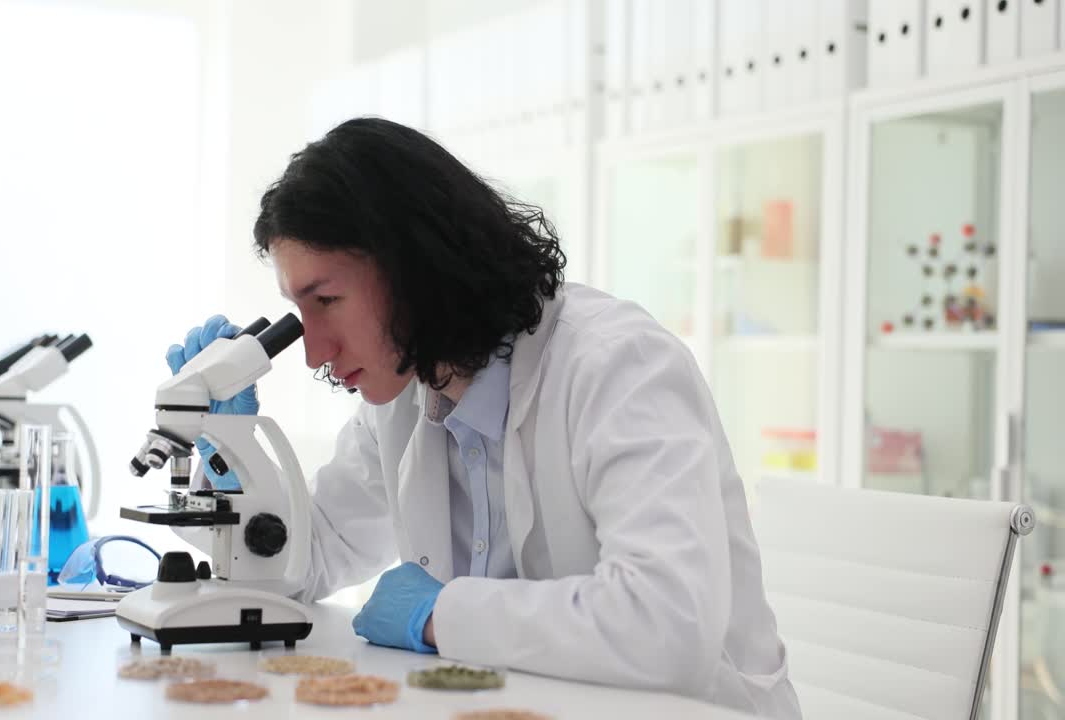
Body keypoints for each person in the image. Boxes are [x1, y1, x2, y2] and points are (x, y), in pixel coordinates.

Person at [165, 117, 801, 719]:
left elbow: (667, 624)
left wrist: (444, 613)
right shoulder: (406, 398)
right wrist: (230, 450)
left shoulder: (618, 367)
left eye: (327, 299)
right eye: (300, 309)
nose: (312, 351)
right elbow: (303, 563)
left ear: (418, 266)